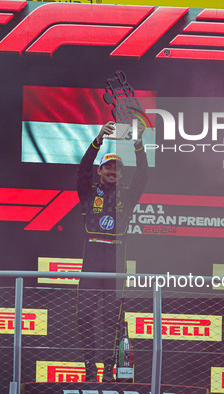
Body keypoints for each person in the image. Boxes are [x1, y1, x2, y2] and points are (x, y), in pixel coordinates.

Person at [76, 121, 147, 382]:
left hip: (117, 257)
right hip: (93, 254)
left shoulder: (128, 194)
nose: (112, 171)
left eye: (117, 167)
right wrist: (97, 140)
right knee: (84, 313)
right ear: (101, 170)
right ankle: (88, 365)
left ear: (121, 172)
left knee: (111, 317)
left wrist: (138, 144)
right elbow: (82, 170)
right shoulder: (88, 191)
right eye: (108, 167)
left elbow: (143, 175)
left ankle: (107, 368)